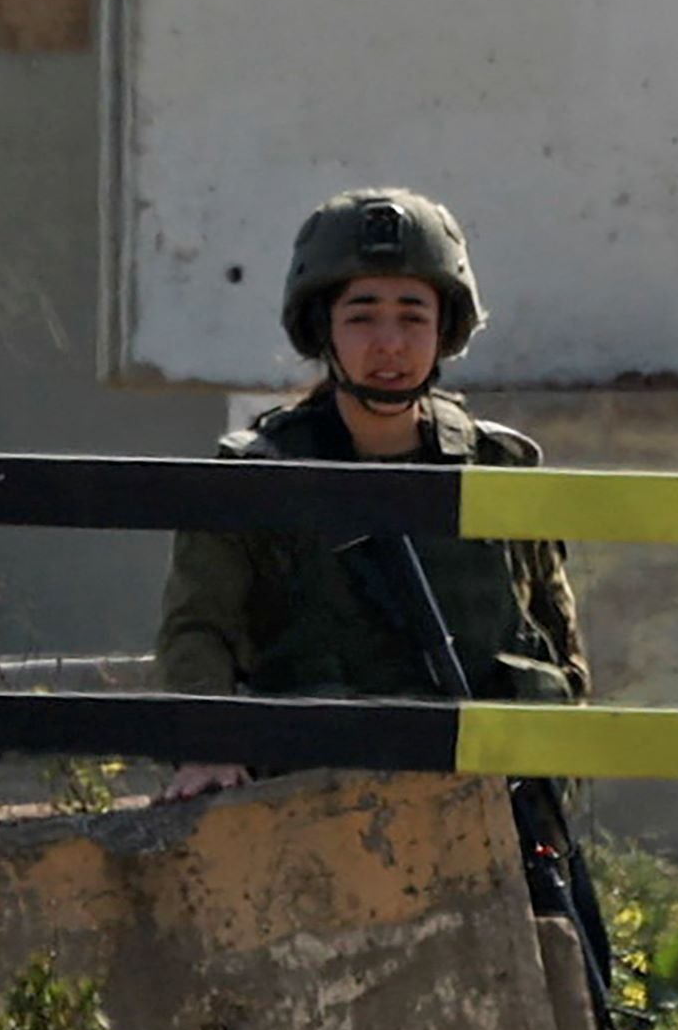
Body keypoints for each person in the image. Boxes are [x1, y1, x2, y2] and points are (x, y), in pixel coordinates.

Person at [155, 187, 587, 801]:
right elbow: (197, 628)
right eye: (362, 315)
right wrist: (208, 745)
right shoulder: (258, 475)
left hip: (490, 799)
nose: (390, 342)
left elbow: (557, 642)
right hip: (317, 802)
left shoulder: (499, 467)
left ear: (444, 330)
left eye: (413, 315)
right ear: (322, 327)